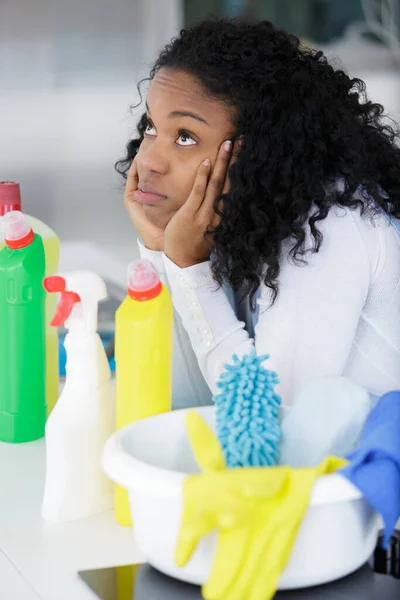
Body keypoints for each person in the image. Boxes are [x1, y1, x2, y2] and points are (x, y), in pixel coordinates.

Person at [116, 17, 400, 409]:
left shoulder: (327, 225)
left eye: (185, 137)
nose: (148, 161)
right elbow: (190, 401)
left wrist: (188, 266)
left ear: (252, 151)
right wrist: (160, 248)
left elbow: (266, 420)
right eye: (151, 127)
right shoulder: (245, 217)